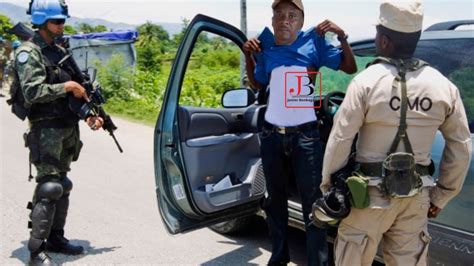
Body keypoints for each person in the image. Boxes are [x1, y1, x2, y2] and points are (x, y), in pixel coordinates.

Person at [321, 1, 472, 265]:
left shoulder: (366, 82)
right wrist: (442, 194)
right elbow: (460, 145)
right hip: (416, 199)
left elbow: (340, 139)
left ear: (385, 40)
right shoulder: (443, 87)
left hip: (366, 198)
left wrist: (329, 187)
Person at [243, 0, 356, 265]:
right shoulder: (265, 45)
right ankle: (279, 257)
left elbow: (350, 68)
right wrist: (249, 56)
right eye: (279, 15)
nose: (285, 20)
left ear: (301, 21)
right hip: (271, 136)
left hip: (306, 137)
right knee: (275, 201)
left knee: (313, 203)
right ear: (272, 20)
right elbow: (258, 82)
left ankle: (318, 261)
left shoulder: (314, 42)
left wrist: (342, 37)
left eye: (292, 15)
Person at [13, 0, 104, 265]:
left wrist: (89, 115)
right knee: (49, 187)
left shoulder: (59, 50)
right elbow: (32, 91)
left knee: (63, 185)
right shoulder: (29, 52)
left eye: (63, 21)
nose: (62, 25)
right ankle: (35, 249)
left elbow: (76, 94)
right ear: (41, 22)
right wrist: (67, 88)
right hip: (46, 129)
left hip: (67, 127)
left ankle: (56, 238)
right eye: (56, 21)